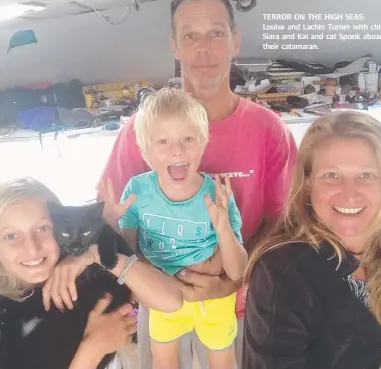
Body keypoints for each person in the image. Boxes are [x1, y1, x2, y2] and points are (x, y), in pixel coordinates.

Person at [97, 0, 297, 367]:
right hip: (159, 309)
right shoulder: (138, 133)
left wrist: (235, 277)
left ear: (236, 40)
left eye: (216, 33)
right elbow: (110, 220)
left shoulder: (270, 131)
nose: (203, 49)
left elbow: (285, 223)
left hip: (237, 312)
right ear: (174, 44)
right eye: (190, 35)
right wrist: (146, 278)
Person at [242, 110, 381, 369]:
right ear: (308, 183)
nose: (350, 194)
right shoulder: (281, 272)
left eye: (366, 175)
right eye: (331, 175)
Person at [0, 177, 183, 369]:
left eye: (43, 228)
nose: (32, 248)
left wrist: (94, 254)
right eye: (11, 236)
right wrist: (92, 349)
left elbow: (171, 301)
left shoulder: (83, 274)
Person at [116, 88, 247, 369]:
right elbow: (128, 252)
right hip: (163, 292)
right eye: (163, 141)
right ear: (146, 151)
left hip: (215, 299)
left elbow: (238, 272)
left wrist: (223, 227)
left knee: (224, 362)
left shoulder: (217, 194)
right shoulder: (136, 191)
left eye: (188, 139)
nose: (177, 149)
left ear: (203, 142)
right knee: (163, 361)